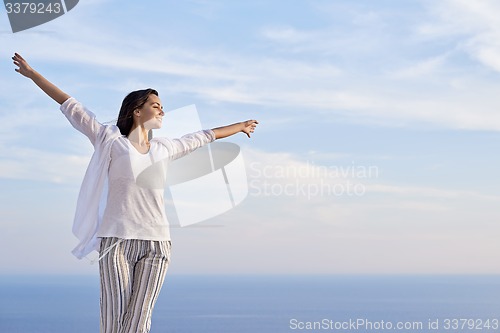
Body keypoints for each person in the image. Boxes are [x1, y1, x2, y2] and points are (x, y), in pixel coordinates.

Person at [12, 52, 258, 333]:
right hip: (117, 242)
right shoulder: (110, 140)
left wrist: (240, 126)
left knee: (139, 322)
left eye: (162, 106)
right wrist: (32, 74)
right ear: (137, 111)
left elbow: (204, 136)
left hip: (157, 244)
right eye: (156, 105)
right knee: (115, 320)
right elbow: (70, 104)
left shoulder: (165, 147)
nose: (162, 110)